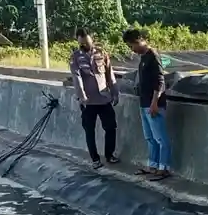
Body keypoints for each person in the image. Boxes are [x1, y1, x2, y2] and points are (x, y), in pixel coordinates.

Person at [123, 28, 172, 181]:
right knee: (150, 138)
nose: (132, 50)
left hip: (153, 104)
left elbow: (160, 81)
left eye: (132, 46)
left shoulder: (153, 56)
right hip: (144, 103)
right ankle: (153, 165)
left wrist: (154, 102)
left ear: (139, 40)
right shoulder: (143, 58)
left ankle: (164, 168)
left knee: (161, 139)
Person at [71, 27, 119, 168]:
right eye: (81, 42)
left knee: (111, 127)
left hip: (104, 98)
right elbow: (77, 78)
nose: (84, 45)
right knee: (89, 130)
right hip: (88, 101)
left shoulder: (101, 53)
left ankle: (109, 155)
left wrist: (115, 92)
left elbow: (110, 74)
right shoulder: (75, 57)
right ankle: (95, 159)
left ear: (92, 39)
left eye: (86, 42)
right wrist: (82, 96)